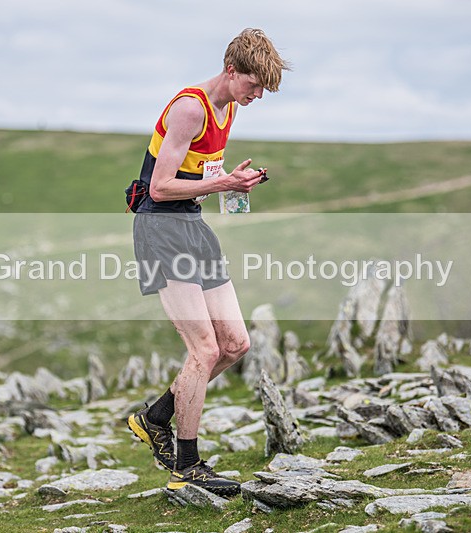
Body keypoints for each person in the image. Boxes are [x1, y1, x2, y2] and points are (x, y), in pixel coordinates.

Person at [126, 28, 290, 497]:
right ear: (231, 70)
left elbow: (198, 172)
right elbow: (158, 188)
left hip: (194, 226)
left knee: (235, 343)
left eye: (262, 90)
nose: (257, 96)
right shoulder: (189, 107)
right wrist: (222, 187)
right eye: (253, 85)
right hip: (160, 227)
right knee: (205, 351)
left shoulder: (228, 107)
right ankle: (187, 465)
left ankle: (155, 417)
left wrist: (230, 179)